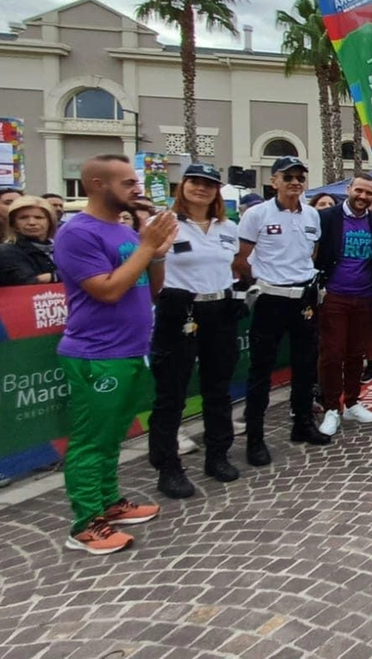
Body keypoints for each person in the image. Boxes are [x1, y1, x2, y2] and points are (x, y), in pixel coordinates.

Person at [55, 154, 178, 554]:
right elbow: (107, 289)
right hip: (96, 353)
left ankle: (109, 503)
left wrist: (156, 251)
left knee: (112, 436)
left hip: (130, 349)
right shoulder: (78, 233)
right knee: (92, 439)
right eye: (127, 183)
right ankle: (85, 522)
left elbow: (151, 287)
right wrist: (146, 245)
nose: (136, 190)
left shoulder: (123, 233)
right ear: (95, 183)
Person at [147, 163, 242, 499]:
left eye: (209, 184)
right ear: (182, 185)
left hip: (219, 307)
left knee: (218, 388)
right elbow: (149, 268)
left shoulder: (227, 227)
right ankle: (167, 466)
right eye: (195, 182)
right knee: (171, 393)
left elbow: (235, 266)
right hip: (179, 308)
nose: (202, 188)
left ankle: (217, 455)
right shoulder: (162, 224)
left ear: (217, 190)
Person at [234, 156, 331, 467]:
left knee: (305, 366)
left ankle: (302, 424)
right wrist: (260, 283)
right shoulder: (256, 215)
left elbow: (311, 254)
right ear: (273, 181)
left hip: (303, 298)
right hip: (270, 299)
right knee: (261, 370)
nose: (294, 183)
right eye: (287, 177)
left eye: (300, 177)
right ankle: (255, 437)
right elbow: (241, 259)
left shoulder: (312, 216)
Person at [314, 174, 372, 435]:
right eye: (359, 191)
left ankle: (352, 401)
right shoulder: (327, 218)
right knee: (331, 354)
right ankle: (332, 408)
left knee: (356, 354)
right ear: (349, 190)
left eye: (369, 193)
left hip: (364, 296)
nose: (363, 197)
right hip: (334, 295)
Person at [0, 196, 59, 285]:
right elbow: (26, 281)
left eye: (39, 217)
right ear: (13, 223)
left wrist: (50, 277)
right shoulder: (7, 251)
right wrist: (57, 276)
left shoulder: (62, 247)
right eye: (23, 218)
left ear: (50, 221)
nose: (32, 222)